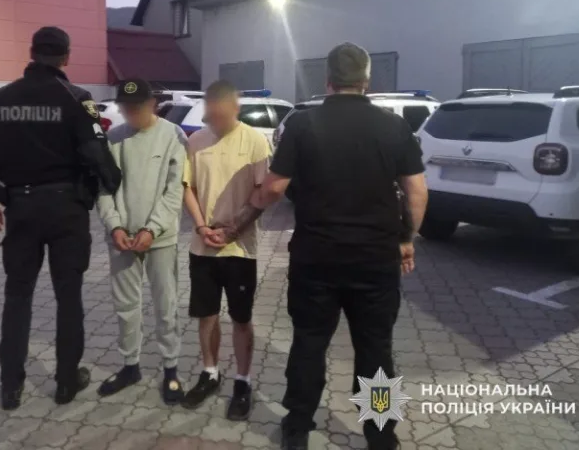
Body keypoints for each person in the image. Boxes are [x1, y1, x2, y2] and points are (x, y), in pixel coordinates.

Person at [252, 42, 428, 450]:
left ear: (327, 79)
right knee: (376, 349)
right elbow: (417, 193)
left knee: (309, 343)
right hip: (375, 261)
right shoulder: (393, 126)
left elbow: (274, 189)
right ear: (367, 80)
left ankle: (298, 427)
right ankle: (380, 433)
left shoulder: (303, 124)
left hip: (316, 259)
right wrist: (406, 238)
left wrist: (252, 203)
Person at [0, 26, 122, 410]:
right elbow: (96, 152)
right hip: (67, 210)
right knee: (68, 297)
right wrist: (112, 181)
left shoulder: (0, 99)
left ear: (32, 52)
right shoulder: (77, 99)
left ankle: (10, 387)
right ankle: (66, 383)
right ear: (66, 57)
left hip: (20, 209)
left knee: (17, 296)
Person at [180, 80, 272, 421]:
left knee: (241, 318)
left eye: (221, 114)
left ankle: (243, 381)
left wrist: (233, 229)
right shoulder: (196, 141)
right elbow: (187, 187)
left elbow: (262, 194)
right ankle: (210, 372)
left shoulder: (255, 141)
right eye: (211, 115)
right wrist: (201, 226)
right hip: (202, 246)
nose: (215, 121)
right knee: (206, 314)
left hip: (240, 249)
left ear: (235, 109)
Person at [95, 79, 187, 404]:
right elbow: (103, 188)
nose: (130, 113)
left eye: (136, 107)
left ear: (152, 104)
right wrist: (115, 226)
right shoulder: (113, 139)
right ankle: (130, 365)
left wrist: (152, 229)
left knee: (166, 305)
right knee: (125, 306)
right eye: (125, 107)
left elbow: (175, 190)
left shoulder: (173, 135)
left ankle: (171, 368)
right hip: (122, 238)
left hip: (160, 239)